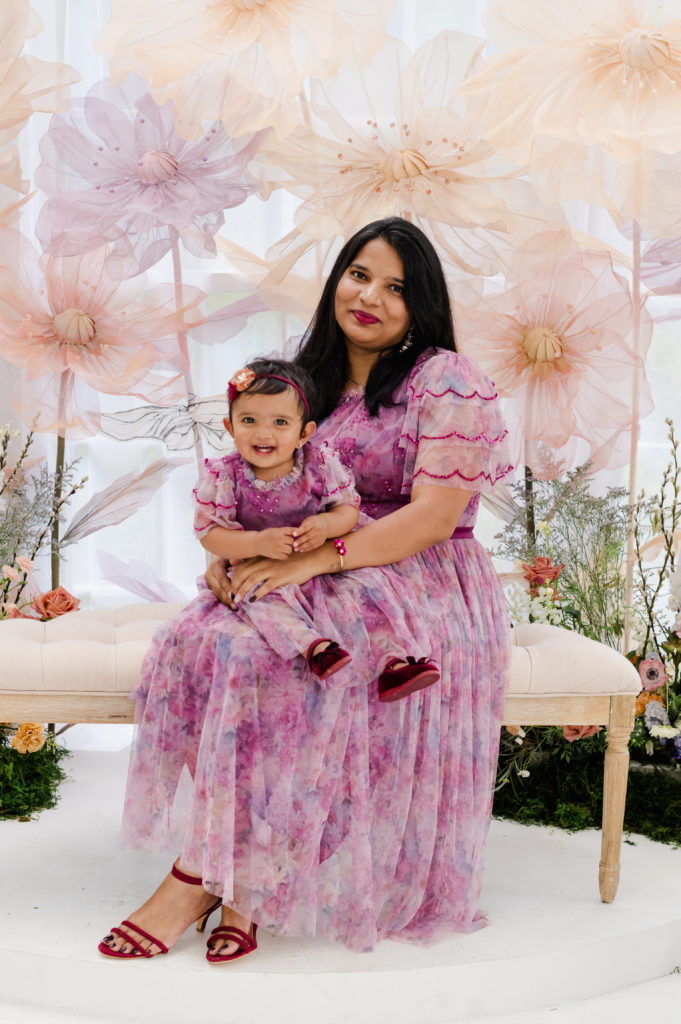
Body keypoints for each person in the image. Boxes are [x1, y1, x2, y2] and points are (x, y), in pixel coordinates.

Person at [99, 216, 513, 963]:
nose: (370, 297)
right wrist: (238, 553)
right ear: (335, 278)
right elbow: (262, 490)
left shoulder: (448, 380)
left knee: (270, 660)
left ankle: (201, 876)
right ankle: (243, 871)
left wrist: (310, 564)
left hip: (417, 577)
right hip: (309, 561)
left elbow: (433, 516)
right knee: (207, 641)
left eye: (396, 287)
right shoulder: (303, 377)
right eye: (359, 273)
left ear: (421, 304)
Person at [194, 355, 439, 696]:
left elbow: (348, 510)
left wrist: (326, 525)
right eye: (249, 420)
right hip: (263, 565)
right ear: (230, 427)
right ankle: (315, 648)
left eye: (280, 422)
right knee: (257, 596)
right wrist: (255, 543)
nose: (264, 433)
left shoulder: (319, 463)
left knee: (367, 590)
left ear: (303, 432)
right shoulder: (224, 476)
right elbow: (211, 534)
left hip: (324, 564)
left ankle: (395, 662)